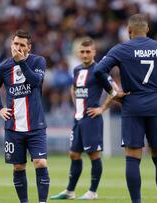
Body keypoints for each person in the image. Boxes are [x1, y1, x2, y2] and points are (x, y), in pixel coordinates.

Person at [94, 14, 157, 203]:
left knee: (133, 157)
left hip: (132, 105)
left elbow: (99, 70)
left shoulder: (121, 49)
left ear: (129, 31)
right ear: (147, 30)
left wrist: (113, 93)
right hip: (156, 104)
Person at [50, 38, 117, 200]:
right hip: (78, 119)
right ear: (78, 53)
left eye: (88, 51)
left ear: (94, 52)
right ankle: (70, 191)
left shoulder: (99, 70)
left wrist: (101, 108)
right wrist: (76, 106)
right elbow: (73, 89)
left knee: (93, 155)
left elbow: (114, 90)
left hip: (92, 119)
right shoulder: (77, 70)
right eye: (82, 51)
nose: (85, 54)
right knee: (74, 154)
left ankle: (93, 192)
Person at [0, 29, 50, 203]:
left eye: (22, 45)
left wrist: (21, 62)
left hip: (35, 125)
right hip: (13, 127)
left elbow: (35, 82)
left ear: (28, 48)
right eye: (15, 44)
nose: (18, 47)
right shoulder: (3, 67)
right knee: (18, 166)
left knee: (40, 162)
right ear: (11, 45)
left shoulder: (38, 61)